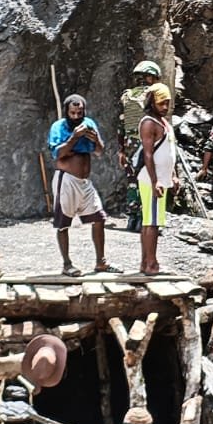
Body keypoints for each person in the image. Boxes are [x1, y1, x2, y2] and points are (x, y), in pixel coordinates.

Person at [48, 94, 115, 276]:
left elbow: (99, 152)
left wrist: (96, 139)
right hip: (66, 180)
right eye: (73, 113)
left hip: (84, 182)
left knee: (99, 218)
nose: (76, 116)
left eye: (80, 113)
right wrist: (74, 137)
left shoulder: (89, 123)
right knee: (63, 223)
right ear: (67, 112)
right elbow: (58, 154)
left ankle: (101, 262)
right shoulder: (58, 127)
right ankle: (67, 264)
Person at [137, 83, 177, 275]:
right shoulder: (149, 123)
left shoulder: (163, 123)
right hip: (151, 179)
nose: (165, 107)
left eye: (167, 102)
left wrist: (173, 175)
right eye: (161, 103)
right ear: (152, 102)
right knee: (152, 222)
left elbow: (170, 151)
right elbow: (148, 154)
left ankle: (146, 262)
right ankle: (151, 264)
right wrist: (155, 181)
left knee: (150, 221)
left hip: (162, 178)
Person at [118, 61, 161, 232]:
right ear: (150, 77)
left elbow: (121, 124)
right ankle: (145, 218)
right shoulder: (153, 95)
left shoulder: (127, 96)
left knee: (132, 181)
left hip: (129, 143)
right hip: (147, 142)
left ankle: (132, 219)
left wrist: (121, 150)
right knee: (149, 179)